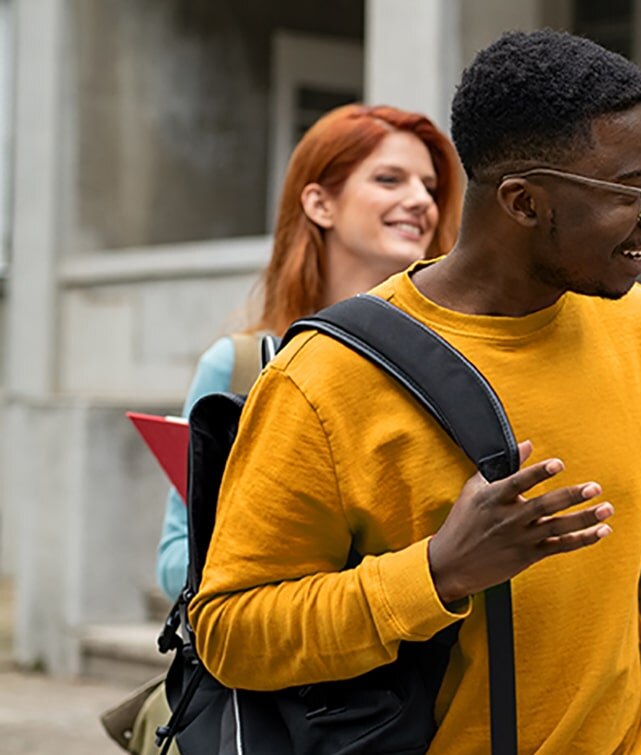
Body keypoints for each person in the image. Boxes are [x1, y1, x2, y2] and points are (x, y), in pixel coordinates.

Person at [188, 30, 641, 754]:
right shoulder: (323, 376)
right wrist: (437, 573)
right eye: (634, 190)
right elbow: (232, 631)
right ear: (523, 201)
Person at [130, 103, 461, 755]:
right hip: (296, 710)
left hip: (435, 697)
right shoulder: (241, 365)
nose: (421, 200)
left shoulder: (457, 368)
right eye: (390, 180)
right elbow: (177, 565)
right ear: (320, 202)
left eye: (430, 186)